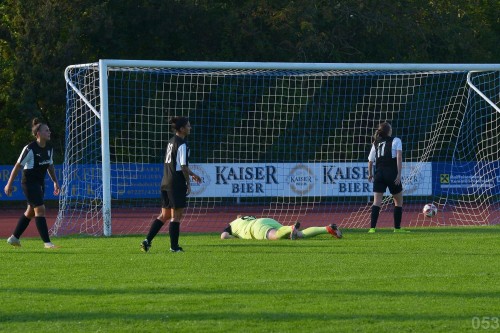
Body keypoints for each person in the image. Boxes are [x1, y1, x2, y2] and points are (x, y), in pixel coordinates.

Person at [140, 116, 201, 253]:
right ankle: (174, 247)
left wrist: (193, 175)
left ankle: (147, 241)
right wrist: (189, 182)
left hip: (165, 181)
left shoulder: (171, 142)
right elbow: (183, 166)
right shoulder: (182, 144)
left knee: (164, 215)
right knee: (176, 216)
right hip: (176, 182)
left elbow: (177, 164)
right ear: (182, 129)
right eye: (188, 126)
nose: (190, 128)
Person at [4, 118, 61, 248]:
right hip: (28, 182)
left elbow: (50, 166)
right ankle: (47, 243)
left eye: (49, 130)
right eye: (46, 130)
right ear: (38, 133)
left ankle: (14, 238)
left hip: (40, 183)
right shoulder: (29, 148)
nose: (49, 132)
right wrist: (9, 184)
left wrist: (55, 182)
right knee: (40, 209)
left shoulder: (49, 148)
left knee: (30, 211)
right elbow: (17, 166)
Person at [367, 122, 408, 233]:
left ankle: (372, 228)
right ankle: (397, 228)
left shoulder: (376, 142)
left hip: (379, 174)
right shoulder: (396, 140)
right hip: (391, 174)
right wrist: (399, 174)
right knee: (398, 201)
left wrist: (370, 174)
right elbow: (399, 158)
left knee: (376, 202)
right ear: (389, 130)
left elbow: (370, 161)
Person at [220, 215, 343, 240]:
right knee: (299, 235)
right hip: (265, 219)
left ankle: (291, 228)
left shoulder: (231, 225)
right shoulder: (247, 217)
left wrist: (236, 239)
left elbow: (223, 236)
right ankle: (327, 228)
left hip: (255, 228)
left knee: (274, 236)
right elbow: (240, 215)